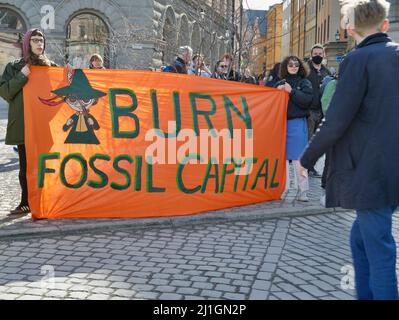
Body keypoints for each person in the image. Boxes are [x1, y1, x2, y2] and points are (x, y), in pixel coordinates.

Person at [300, 0, 399, 300]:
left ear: (349, 27)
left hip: (371, 170)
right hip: (392, 168)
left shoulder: (357, 61)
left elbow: (336, 120)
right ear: (384, 25)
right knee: (361, 238)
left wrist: (306, 158)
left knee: (379, 249)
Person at [0, 28, 57, 215]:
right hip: (24, 125)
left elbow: (61, 94)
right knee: (25, 167)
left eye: (41, 40)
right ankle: (25, 201)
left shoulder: (51, 67)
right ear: (27, 43)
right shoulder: (14, 67)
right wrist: (22, 75)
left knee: (45, 165)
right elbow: (6, 92)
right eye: (35, 40)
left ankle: (45, 200)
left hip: (44, 126)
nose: (39, 44)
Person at [275, 56, 313, 201]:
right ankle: (282, 188)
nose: (293, 67)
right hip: (281, 124)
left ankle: (303, 189)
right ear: (286, 66)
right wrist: (276, 91)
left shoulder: (305, 82)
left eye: (296, 64)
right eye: (290, 64)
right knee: (281, 159)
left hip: (297, 124)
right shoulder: (280, 82)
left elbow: (307, 100)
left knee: (299, 159)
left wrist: (292, 92)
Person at [306, 44, 331, 177]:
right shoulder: (306, 70)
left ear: (323, 55)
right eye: (315, 53)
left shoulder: (326, 72)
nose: (318, 56)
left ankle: (311, 165)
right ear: (311, 54)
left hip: (321, 111)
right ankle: (308, 166)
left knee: (317, 140)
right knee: (309, 139)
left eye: (320, 54)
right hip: (309, 110)